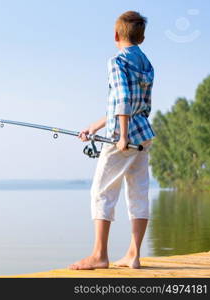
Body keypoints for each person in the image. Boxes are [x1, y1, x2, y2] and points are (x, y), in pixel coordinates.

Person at [69, 11, 155, 270]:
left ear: (116, 35)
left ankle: (99, 255)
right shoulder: (147, 63)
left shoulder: (117, 61)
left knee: (101, 192)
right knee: (138, 193)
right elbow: (135, 105)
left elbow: (123, 100)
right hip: (144, 134)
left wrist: (123, 136)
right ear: (142, 37)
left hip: (124, 137)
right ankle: (134, 254)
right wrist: (94, 126)